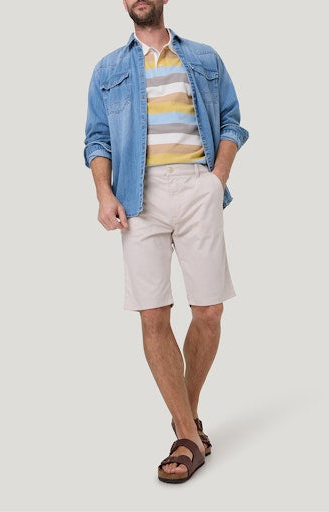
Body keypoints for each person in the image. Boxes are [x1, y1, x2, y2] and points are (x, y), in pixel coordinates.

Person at [83, 0, 249, 483]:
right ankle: (188, 433)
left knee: (209, 310)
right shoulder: (107, 69)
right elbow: (97, 139)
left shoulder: (204, 57)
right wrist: (104, 194)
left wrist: (216, 180)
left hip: (198, 185)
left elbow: (232, 122)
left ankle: (185, 424)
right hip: (138, 195)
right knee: (153, 314)